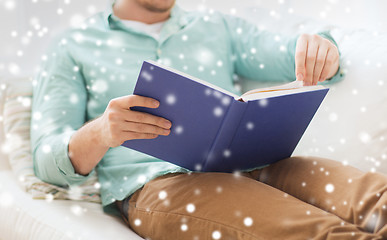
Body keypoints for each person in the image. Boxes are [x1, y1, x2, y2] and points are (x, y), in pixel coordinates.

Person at [31, 0, 387, 239]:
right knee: (323, 234)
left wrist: (322, 49)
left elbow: (290, 53)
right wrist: (99, 133)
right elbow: (46, 159)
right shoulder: (73, 46)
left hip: (259, 163)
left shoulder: (215, 26)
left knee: (378, 199)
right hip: (160, 185)